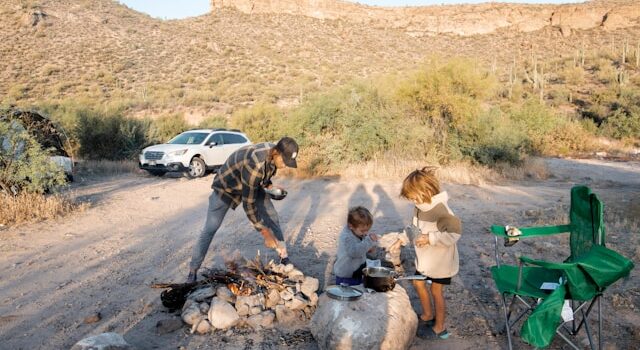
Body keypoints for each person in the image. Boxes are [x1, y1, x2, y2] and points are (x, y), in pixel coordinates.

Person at [186, 137, 299, 283]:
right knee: (210, 228)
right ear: (276, 153)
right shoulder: (255, 164)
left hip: (250, 185)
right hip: (226, 188)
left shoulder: (272, 154)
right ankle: (193, 270)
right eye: (284, 161)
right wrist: (265, 233)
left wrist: (271, 188)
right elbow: (249, 205)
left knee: (272, 216)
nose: (284, 166)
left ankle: (284, 256)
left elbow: (263, 178)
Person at [400, 166, 462, 340]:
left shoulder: (442, 210)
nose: (412, 200)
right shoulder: (420, 207)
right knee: (418, 283)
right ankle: (427, 315)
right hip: (425, 260)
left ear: (425, 191)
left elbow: (454, 234)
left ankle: (440, 327)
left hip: (441, 262)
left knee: (436, 291)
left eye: (413, 196)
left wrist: (430, 238)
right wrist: (402, 239)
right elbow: (414, 229)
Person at [333, 206, 378, 286]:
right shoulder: (347, 237)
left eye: (367, 230)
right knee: (348, 294)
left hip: (355, 271)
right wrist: (369, 241)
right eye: (363, 231)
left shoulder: (355, 231)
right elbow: (354, 252)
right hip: (346, 275)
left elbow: (359, 246)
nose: (365, 233)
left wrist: (367, 249)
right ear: (351, 226)